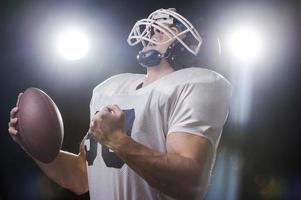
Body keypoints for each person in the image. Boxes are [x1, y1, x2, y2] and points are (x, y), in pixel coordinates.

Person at [8, 8, 231, 200]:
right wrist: (32, 144)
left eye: (170, 28)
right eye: (156, 26)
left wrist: (118, 141)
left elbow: (189, 184)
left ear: (194, 46)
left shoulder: (197, 84)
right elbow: (80, 176)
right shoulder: (110, 89)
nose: (154, 30)